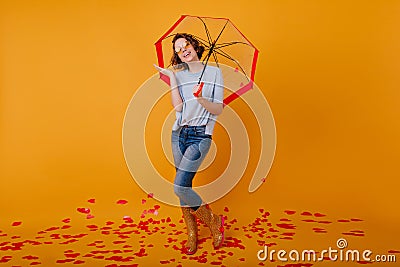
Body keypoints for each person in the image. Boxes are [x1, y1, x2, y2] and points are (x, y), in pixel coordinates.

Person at [154, 33, 225, 255]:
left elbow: (219, 109)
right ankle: (191, 231)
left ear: (194, 46)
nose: (183, 49)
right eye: (178, 49)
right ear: (177, 55)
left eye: (186, 45)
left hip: (200, 136)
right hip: (179, 134)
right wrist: (172, 80)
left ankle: (212, 221)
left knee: (179, 186)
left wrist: (203, 99)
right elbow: (178, 109)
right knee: (182, 187)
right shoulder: (180, 74)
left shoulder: (214, 72)